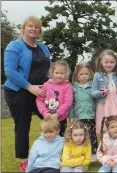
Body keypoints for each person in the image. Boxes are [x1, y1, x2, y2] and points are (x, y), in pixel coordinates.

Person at [4, 16, 51, 171]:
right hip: (18, 92)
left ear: (39, 31)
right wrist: (29, 87)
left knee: (55, 119)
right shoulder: (14, 46)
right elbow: (9, 71)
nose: (33, 29)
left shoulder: (44, 48)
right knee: (23, 125)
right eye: (30, 26)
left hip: (40, 92)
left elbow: (48, 71)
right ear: (23, 28)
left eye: (36, 27)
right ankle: (24, 160)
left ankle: (55, 152)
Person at [91, 50, 117, 134]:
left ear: (116, 63)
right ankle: (108, 145)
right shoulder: (97, 75)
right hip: (104, 106)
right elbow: (92, 92)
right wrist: (101, 93)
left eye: (112, 62)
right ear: (101, 62)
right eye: (106, 62)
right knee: (107, 129)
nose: (109, 64)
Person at [69, 62, 98, 161]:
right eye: (81, 74)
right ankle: (79, 153)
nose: (84, 76)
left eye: (86, 74)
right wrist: (71, 116)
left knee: (92, 135)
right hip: (78, 116)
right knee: (80, 135)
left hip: (90, 116)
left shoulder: (93, 87)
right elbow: (71, 103)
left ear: (90, 74)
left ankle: (93, 154)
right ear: (77, 75)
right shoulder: (74, 88)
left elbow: (96, 101)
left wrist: (97, 114)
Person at [36, 60, 72, 137]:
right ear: (52, 73)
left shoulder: (67, 87)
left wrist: (58, 114)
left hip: (61, 119)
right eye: (57, 73)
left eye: (62, 73)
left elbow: (68, 102)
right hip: (47, 118)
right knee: (47, 138)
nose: (59, 75)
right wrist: (45, 113)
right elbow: (39, 100)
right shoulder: (46, 85)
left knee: (61, 140)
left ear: (66, 74)